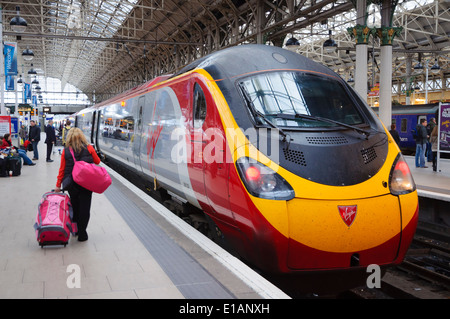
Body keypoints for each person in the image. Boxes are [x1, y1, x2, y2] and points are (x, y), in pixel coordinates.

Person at [55, 128, 101, 242]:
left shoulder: (66, 151)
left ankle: (74, 230)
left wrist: (58, 185)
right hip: (86, 182)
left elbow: (62, 170)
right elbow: (97, 161)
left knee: (75, 206)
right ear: (82, 137)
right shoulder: (89, 148)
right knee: (85, 208)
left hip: (72, 183)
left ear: (69, 137)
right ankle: (82, 234)